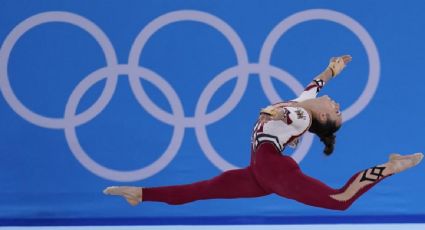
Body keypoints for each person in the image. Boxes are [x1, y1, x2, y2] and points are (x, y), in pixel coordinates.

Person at [103, 55, 423, 210]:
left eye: (336, 111)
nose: (337, 104)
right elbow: (314, 86)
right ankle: (140, 194)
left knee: (339, 199)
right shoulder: (305, 103)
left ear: (322, 115)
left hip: (273, 168)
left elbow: (288, 113)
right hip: (260, 171)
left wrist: (273, 112)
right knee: (200, 189)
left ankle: (391, 166)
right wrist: (333, 69)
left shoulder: (298, 114)